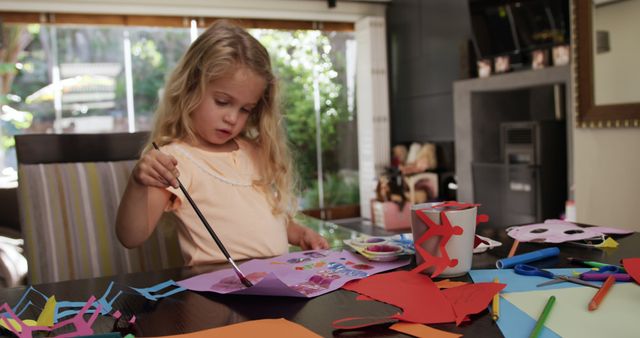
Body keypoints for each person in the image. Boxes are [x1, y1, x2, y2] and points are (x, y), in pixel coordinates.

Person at [116, 20, 329, 266]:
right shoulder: (174, 160)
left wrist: (300, 233)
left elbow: (264, 219)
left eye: (245, 109)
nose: (232, 118)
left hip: (276, 286)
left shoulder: (255, 150)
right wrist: (137, 183)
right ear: (190, 88)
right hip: (217, 292)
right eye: (222, 101)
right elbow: (131, 236)